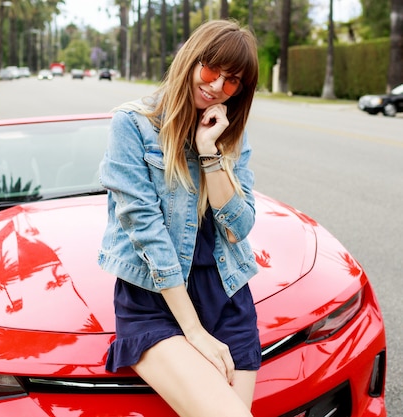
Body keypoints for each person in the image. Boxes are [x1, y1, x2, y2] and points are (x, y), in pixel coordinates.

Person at [97, 20, 260, 416]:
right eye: (210, 70)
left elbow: (238, 228)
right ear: (191, 59)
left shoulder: (228, 136)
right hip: (155, 298)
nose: (217, 86)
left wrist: (209, 152)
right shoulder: (132, 125)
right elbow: (146, 230)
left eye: (232, 80)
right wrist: (194, 332)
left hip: (227, 294)